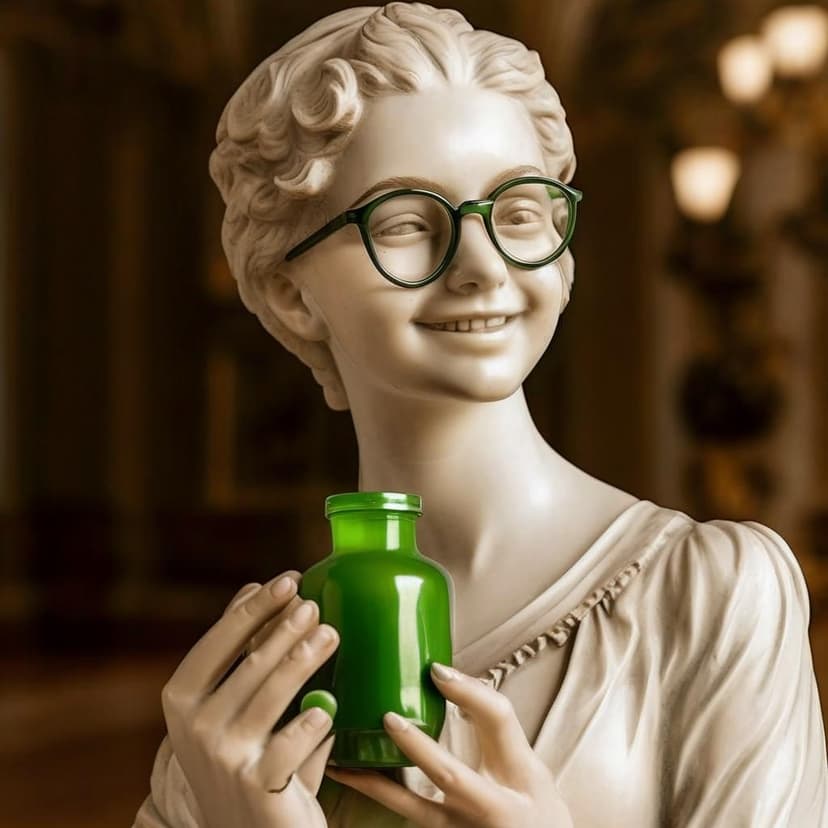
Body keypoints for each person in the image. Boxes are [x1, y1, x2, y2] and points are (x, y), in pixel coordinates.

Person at [133, 4, 828, 826]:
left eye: (519, 213)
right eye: (402, 222)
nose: (481, 266)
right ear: (290, 294)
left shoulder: (707, 597)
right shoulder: (244, 698)